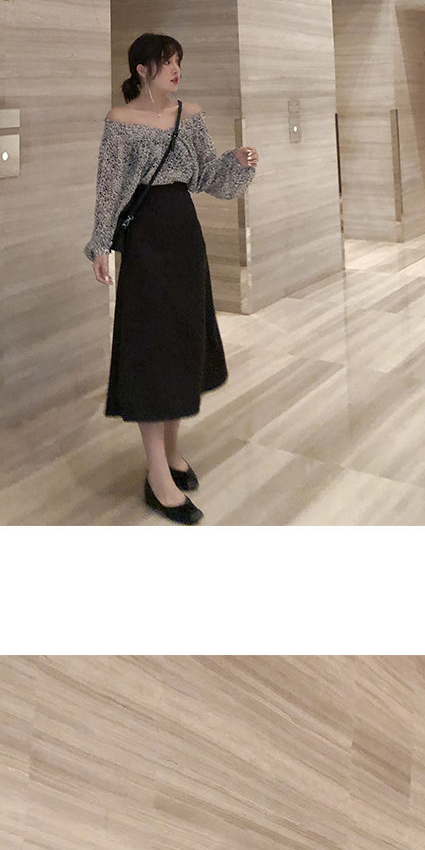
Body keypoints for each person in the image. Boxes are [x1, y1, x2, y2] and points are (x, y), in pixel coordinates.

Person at [86, 35, 259, 521]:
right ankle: (157, 474)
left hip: (184, 235)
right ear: (142, 70)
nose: (176, 69)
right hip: (146, 240)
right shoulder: (120, 121)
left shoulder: (192, 114)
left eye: (179, 61)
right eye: (166, 62)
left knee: (183, 342)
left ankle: (172, 452)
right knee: (153, 347)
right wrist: (101, 245)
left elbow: (205, 178)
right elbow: (109, 189)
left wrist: (235, 163)